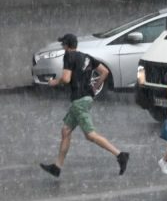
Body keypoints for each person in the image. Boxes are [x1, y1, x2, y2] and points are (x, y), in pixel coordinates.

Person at [40, 33, 129, 178]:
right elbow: (105, 72)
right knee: (66, 131)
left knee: (90, 135)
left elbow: (66, 78)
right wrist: (95, 87)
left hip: (79, 101)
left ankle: (120, 155)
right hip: (86, 98)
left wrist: (53, 82)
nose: (63, 47)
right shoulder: (86, 57)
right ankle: (57, 167)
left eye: (63, 45)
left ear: (67, 46)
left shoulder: (68, 56)